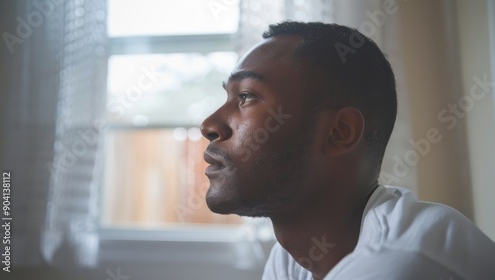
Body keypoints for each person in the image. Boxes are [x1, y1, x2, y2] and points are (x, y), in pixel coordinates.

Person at [199, 21, 495, 280]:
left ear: (339, 133)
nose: (209, 125)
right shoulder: (293, 263)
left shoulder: (398, 262)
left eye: (247, 96)